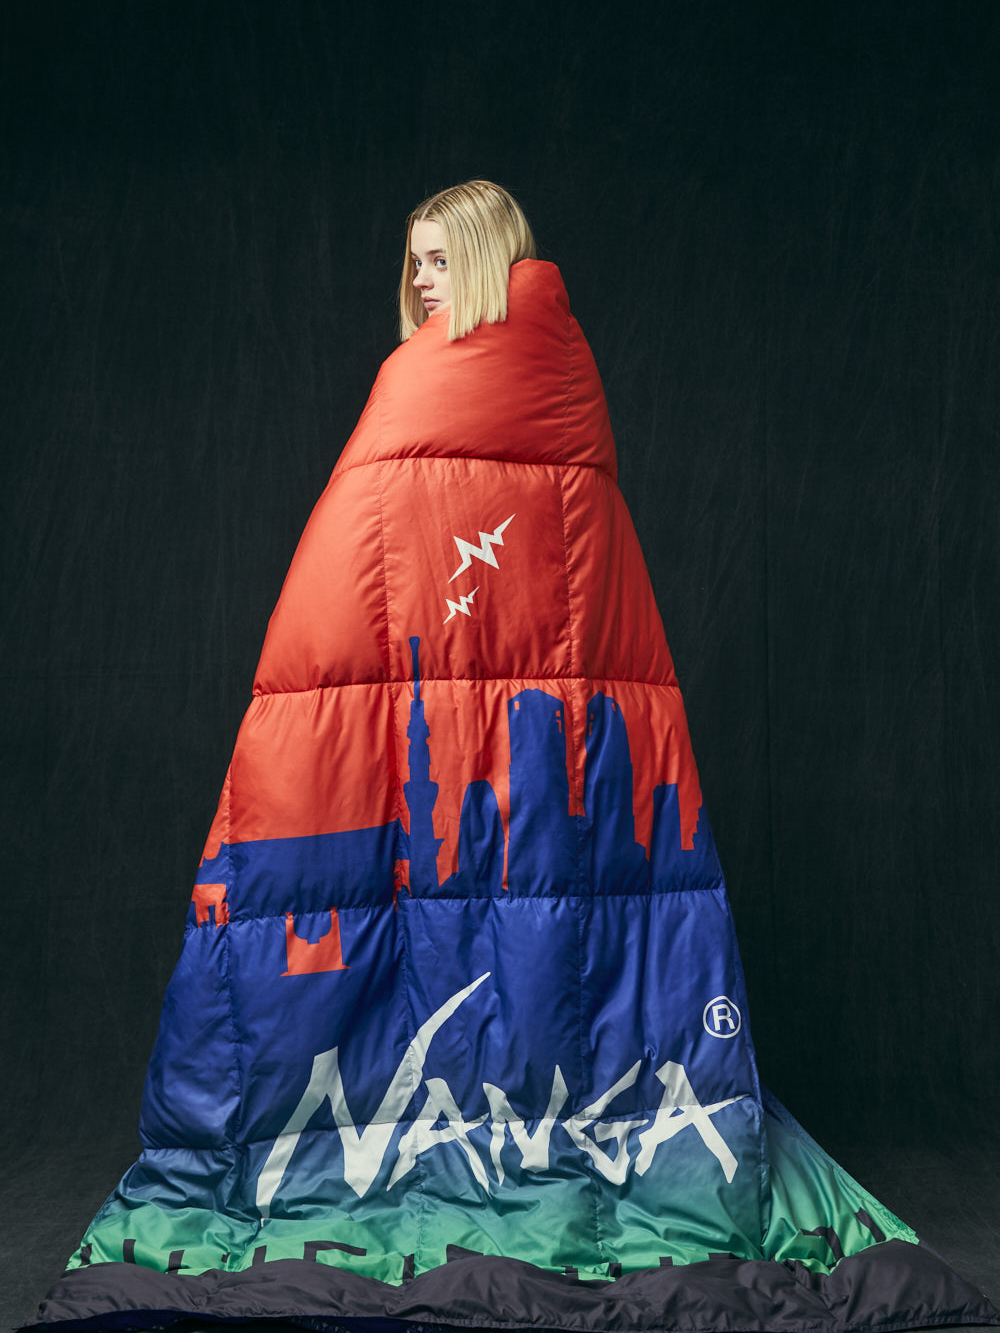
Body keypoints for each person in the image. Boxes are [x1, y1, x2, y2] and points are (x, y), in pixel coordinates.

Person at [26, 181, 996, 1333]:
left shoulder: (430, 381)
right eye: (414, 262)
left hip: (451, 737)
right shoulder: (563, 378)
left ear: (488, 258)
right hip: (534, 750)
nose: (421, 282)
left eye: (440, 259)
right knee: (542, 938)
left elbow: (371, 561)